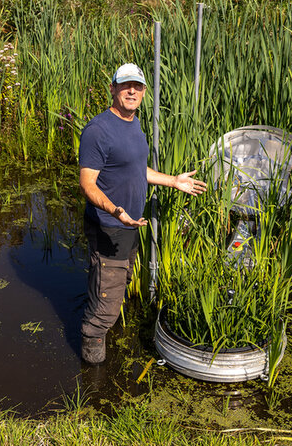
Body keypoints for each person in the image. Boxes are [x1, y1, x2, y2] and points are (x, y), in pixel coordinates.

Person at [78, 63, 207, 364]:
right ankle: (91, 374)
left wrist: (173, 181)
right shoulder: (98, 130)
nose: (131, 91)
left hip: (128, 225)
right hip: (110, 225)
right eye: (125, 85)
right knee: (106, 309)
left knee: (109, 289)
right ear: (113, 88)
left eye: (137, 86)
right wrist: (116, 210)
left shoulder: (133, 125)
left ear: (144, 92)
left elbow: (136, 169)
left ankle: (95, 342)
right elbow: (87, 183)